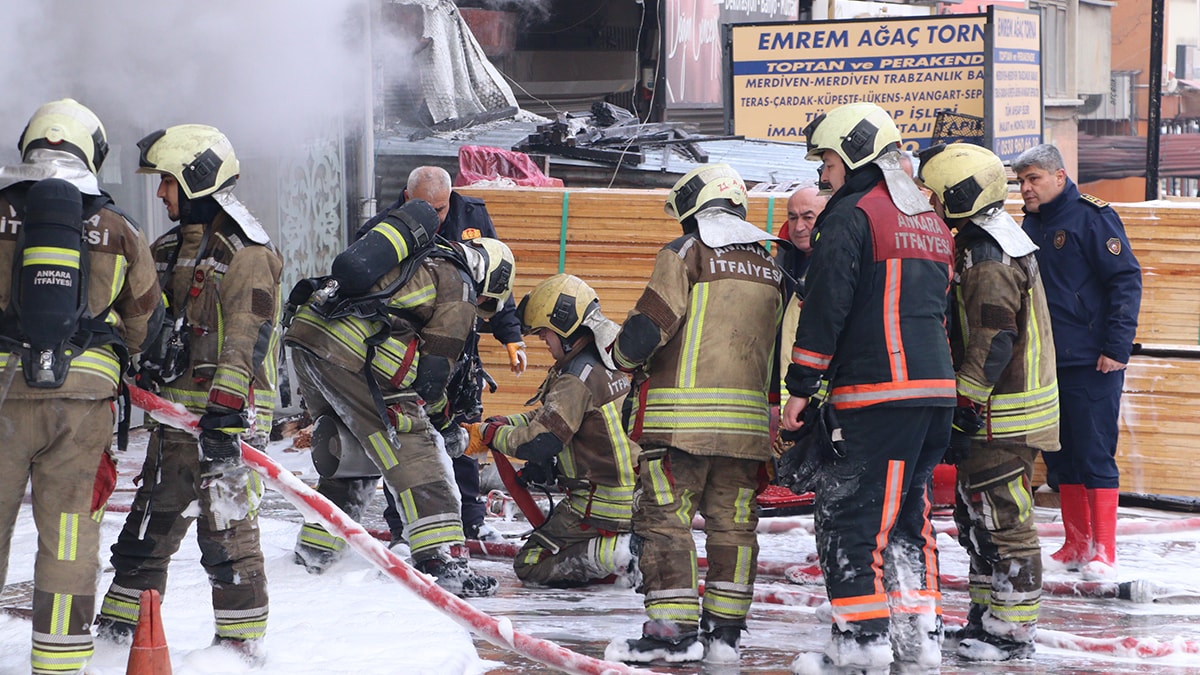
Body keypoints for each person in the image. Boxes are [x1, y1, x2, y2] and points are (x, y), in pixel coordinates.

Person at [96, 125, 283, 663]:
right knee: (146, 531)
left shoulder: (247, 253)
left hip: (227, 424)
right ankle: (116, 637)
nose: (160, 194)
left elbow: (246, 337)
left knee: (226, 537)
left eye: (167, 183)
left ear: (196, 180)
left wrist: (226, 415)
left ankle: (240, 647)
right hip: (177, 421)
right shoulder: (170, 247)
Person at [779, 102, 956, 673]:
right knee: (909, 518)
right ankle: (919, 638)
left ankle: (860, 646)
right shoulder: (927, 217)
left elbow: (828, 303)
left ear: (852, 153)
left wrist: (801, 387)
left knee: (852, 516)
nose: (822, 173)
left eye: (827, 159)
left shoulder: (852, 213)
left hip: (879, 394)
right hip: (934, 396)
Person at [0, 99, 160, 675]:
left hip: (2, 393)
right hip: (84, 394)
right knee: (69, 531)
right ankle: (61, 662)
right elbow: (144, 318)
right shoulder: (117, 227)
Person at [603, 163, 785, 665]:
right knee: (733, 527)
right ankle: (725, 632)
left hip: (681, 423)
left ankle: (671, 632)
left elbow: (649, 327)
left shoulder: (687, 251)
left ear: (694, 205)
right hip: (747, 429)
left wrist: (619, 358)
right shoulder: (770, 263)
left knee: (665, 521)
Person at [286, 227, 515, 598]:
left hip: (309, 340)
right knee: (417, 450)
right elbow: (434, 374)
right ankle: (444, 561)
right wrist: (442, 424)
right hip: (352, 355)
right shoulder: (459, 283)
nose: (479, 311)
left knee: (353, 456)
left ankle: (315, 552)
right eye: (486, 303)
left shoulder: (423, 258)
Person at [918, 143, 1060, 661]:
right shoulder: (993, 240)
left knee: (1004, 522)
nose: (927, 202)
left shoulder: (988, 256)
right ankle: (986, 616)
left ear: (959, 193)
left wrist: (965, 402)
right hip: (1001, 416)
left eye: (934, 193)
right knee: (978, 519)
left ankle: (1012, 629)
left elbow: (993, 339)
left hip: (1003, 419)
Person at [360, 166, 525, 543]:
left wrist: (510, 335)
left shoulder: (471, 215)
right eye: (424, 208)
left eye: (439, 209)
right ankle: (403, 525)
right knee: (404, 438)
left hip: (459, 343)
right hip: (405, 353)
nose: (433, 218)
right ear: (405, 198)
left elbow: (497, 278)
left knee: (462, 430)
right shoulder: (381, 231)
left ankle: (470, 518)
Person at [462, 274, 640, 588]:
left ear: (565, 327)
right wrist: (509, 423)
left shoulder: (575, 378)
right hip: (638, 499)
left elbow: (541, 442)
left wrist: (490, 436)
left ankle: (618, 553)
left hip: (599, 505)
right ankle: (620, 555)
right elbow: (552, 415)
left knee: (530, 563)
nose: (543, 340)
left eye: (545, 333)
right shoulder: (609, 361)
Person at [1014, 144, 1142, 580]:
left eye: (1033, 179)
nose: (1026, 188)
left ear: (1059, 177)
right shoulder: (1030, 223)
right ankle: (1075, 543)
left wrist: (1116, 347)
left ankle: (1104, 549)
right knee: (1061, 455)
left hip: (1092, 359)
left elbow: (1125, 280)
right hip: (1047, 361)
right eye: (1021, 181)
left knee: (1094, 452)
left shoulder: (1092, 216)